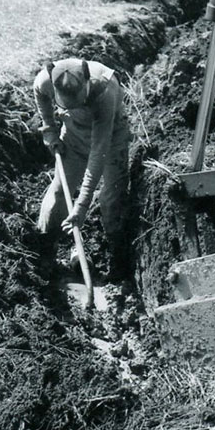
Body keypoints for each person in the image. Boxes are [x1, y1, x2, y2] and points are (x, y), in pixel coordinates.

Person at [33, 57, 130, 279]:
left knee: (111, 199)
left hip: (111, 141)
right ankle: (44, 254)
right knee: (58, 193)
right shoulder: (47, 80)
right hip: (74, 137)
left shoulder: (105, 90)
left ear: (86, 82)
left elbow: (99, 152)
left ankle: (119, 261)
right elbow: (39, 92)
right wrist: (49, 128)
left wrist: (82, 205)